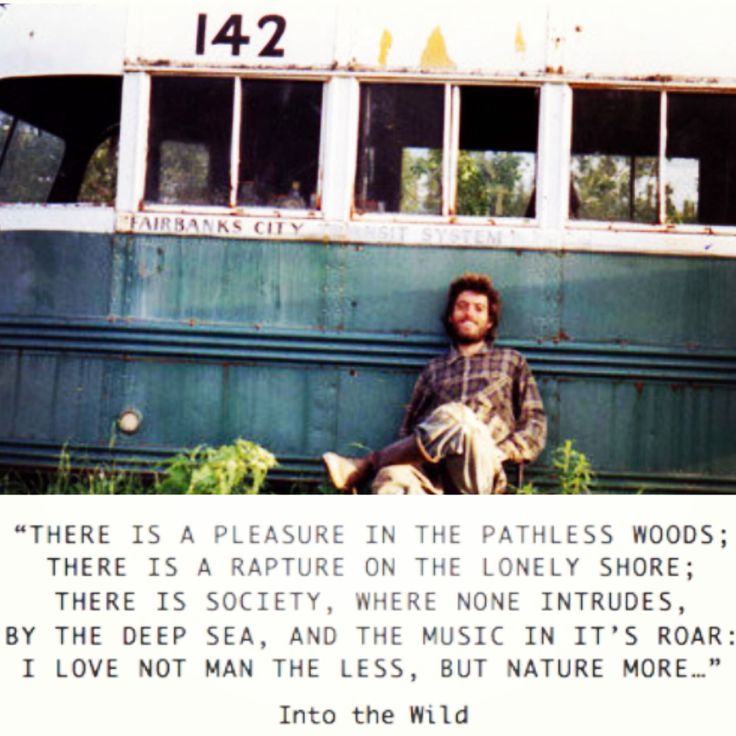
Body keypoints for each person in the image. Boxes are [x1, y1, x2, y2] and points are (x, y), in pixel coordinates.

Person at [322, 273, 547, 494]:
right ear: (451, 316)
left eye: (479, 309)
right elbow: (409, 432)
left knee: (459, 415)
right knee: (391, 478)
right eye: (462, 306)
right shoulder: (434, 369)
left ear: (489, 322)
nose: (469, 313)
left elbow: (535, 426)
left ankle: (369, 462)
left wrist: (499, 452)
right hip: (433, 473)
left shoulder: (511, 361)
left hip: (481, 467)